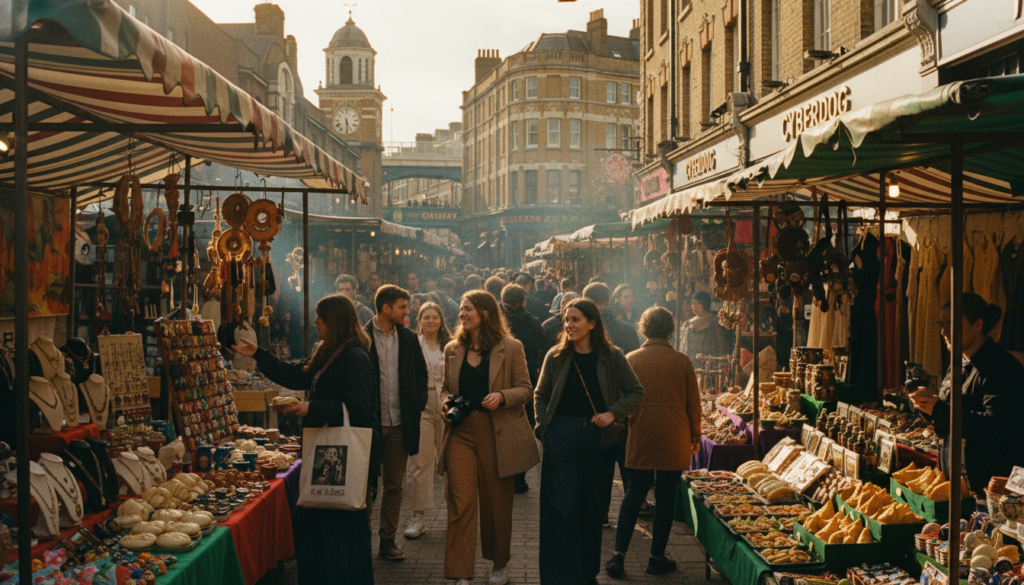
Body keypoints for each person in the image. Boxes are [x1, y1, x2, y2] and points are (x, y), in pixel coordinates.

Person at [234, 294, 377, 584]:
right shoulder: (328, 352)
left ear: (333, 321)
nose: (316, 323)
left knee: (339, 531)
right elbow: (297, 374)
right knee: (317, 529)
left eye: (320, 317)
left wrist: (309, 407)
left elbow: (359, 408)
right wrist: (259, 355)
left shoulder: (356, 357)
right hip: (324, 451)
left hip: (341, 455)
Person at [534, 298, 644, 585]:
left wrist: (612, 414)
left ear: (592, 323)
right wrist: (546, 428)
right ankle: (559, 576)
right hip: (561, 437)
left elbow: (635, 392)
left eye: (575, 320)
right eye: (566, 320)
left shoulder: (612, 356)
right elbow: (540, 394)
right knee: (561, 509)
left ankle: (586, 574)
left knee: (592, 510)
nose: (569, 325)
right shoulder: (556, 357)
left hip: (597, 440)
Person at [439, 290, 540, 585]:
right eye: (461, 308)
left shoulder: (510, 347)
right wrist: (444, 404)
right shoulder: (453, 349)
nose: (462, 314)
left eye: (468, 309)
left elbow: (525, 388)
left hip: (497, 434)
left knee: (497, 504)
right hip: (460, 433)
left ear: (485, 313)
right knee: (461, 502)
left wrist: (502, 396)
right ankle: (460, 573)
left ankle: (500, 563)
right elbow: (445, 388)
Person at [606, 307, 701, 577]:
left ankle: (618, 555)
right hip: (675, 435)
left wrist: (622, 427)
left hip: (641, 432)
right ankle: (656, 558)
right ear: (670, 330)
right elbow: (693, 403)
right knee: (666, 497)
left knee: (633, 493)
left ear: (644, 328)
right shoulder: (682, 361)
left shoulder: (631, 358)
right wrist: (695, 436)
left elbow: (620, 398)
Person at [909, 293, 1024, 495]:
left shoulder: (1001, 367)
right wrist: (927, 407)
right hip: (955, 478)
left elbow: (996, 425)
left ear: (977, 325)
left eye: (951, 324)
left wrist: (940, 410)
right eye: (941, 324)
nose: (944, 332)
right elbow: (947, 417)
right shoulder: (958, 362)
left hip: (986, 484)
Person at [366, 284, 430, 561]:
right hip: (370, 424)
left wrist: (415, 406)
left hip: (400, 423)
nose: (408, 312)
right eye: (403, 307)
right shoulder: (361, 337)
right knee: (366, 485)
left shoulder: (407, 338)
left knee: (394, 486)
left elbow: (421, 375)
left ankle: (387, 540)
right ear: (386, 308)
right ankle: (361, 539)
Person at [403, 301, 452, 539]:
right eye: (426, 317)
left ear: (441, 320)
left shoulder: (451, 346)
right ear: (419, 321)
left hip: (447, 408)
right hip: (421, 408)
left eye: (435, 317)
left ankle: (456, 513)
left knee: (450, 462)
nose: (431, 321)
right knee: (419, 463)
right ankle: (418, 517)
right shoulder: (413, 344)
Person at [500, 283, 548, 494]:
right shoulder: (532, 322)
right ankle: (519, 477)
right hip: (526, 378)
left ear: (504, 303)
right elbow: (542, 347)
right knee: (523, 428)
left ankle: (504, 474)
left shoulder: (498, 322)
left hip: (500, 380)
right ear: (523, 302)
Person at [583, 283, 640, 353]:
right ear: (608, 300)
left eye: (632, 297)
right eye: (626, 297)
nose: (630, 300)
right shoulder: (629, 330)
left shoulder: (579, 329)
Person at [680, 291, 730, 357]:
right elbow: (682, 348)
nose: (694, 306)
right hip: (690, 362)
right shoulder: (687, 323)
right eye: (692, 303)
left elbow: (722, 345)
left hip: (708, 363)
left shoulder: (714, 321)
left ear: (704, 303)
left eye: (697, 303)